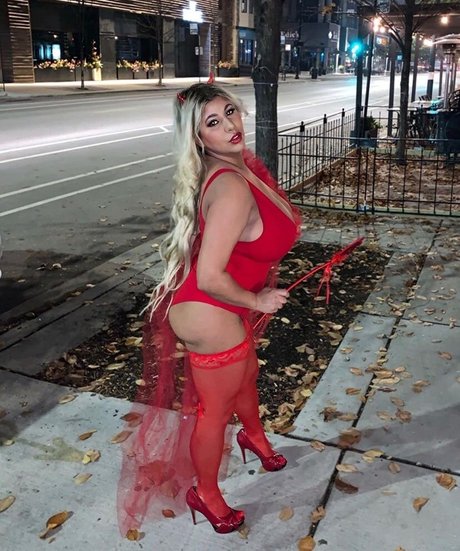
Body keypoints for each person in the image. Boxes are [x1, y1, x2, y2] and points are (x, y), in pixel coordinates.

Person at [118, 81, 300, 537]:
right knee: (214, 412)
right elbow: (210, 276)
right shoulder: (232, 186)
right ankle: (206, 493)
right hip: (208, 307)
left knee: (247, 373)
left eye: (230, 112)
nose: (230, 126)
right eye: (213, 123)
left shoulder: (239, 167)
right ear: (199, 137)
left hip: (221, 304)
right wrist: (257, 300)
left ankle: (253, 437)